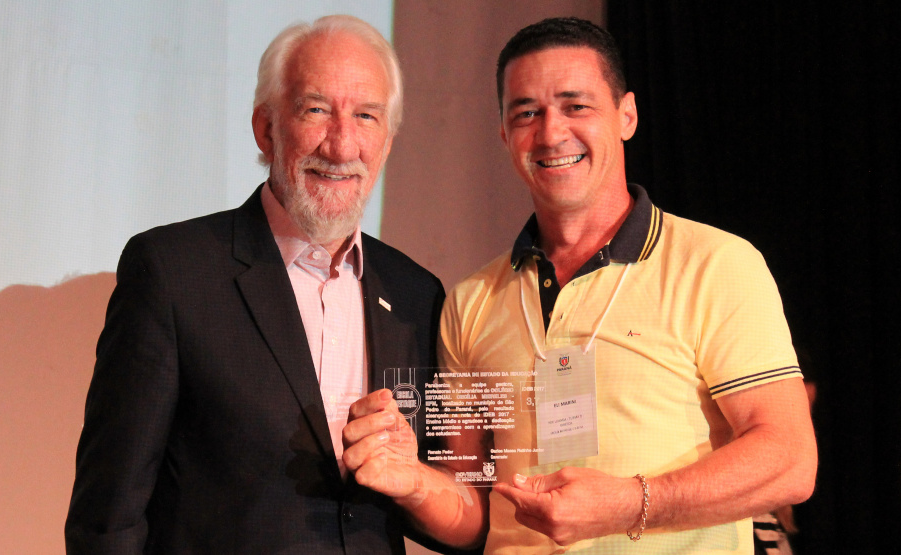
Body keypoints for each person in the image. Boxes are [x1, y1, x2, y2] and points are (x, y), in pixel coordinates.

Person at [343, 16, 817, 555]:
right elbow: (477, 511)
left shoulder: (715, 264)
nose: (551, 133)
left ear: (626, 115)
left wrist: (629, 503)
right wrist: (414, 481)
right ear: (504, 134)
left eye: (576, 106)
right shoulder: (470, 302)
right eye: (527, 113)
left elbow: (790, 460)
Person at [64, 15, 445, 554]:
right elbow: (108, 518)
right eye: (316, 110)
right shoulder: (172, 273)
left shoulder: (415, 295)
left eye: (366, 116)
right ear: (266, 128)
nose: (342, 145)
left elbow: (443, 502)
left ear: (387, 141)